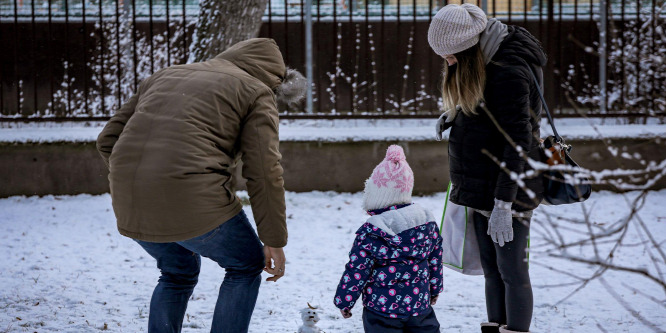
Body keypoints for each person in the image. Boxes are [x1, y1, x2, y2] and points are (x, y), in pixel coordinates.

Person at [96, 38, 306, 333]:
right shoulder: (256, 91)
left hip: (129, 201)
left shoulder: (166, 75)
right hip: (195, 199)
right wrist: (274, 239)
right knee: (245, 265)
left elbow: (107, 141)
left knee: (176, 272)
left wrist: (144, 182)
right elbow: (264, 172)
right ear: (276, 80)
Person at [428, 4, 546, 333]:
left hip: (507, 190)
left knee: (512, 272)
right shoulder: (488, 58)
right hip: (482, 186)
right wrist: (458, 115)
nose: (447, 62)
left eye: (450, 56)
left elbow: (516, 141)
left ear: (468, 48)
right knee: (492, 270)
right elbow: (489, 109)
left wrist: (504, 204)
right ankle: (495, 327)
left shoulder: (508, 70)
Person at [334, 145, 444, 333]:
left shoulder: (372, 231)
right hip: (419, 305)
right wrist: (434, 289)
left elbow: (357, 269)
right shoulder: (426, 223)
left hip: (381, 310)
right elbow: (435, 261)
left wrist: (344, 301)